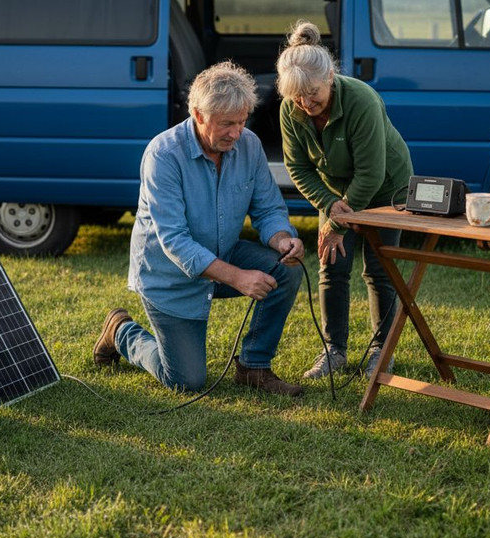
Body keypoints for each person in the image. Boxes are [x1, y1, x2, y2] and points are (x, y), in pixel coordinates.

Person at [93, 61, 306, 396]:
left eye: (242, 121)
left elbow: (268, 208)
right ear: (197, 114)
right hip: (169, 277)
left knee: (287, 271)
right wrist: (238, 277)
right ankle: (121, 332)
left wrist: (283, 240)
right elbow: (175, 242)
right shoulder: (162, 155)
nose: (236, 133)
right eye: (226, 124)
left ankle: (254, 366)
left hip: (223, 252)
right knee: (186, 381)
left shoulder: (248, 145)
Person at [276, 20, 412, 379]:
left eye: (313, 94)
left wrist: (337, 224)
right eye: (297, 97)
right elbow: (298, 167)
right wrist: (329, 206)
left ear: (331, 76)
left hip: (385, 189)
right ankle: (334, 350)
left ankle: (381, 350)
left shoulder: (362, 101)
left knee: (378, 269)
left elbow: (371, 174)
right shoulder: (292, 109)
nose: (306, 103)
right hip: (336, 194)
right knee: (331, 267)